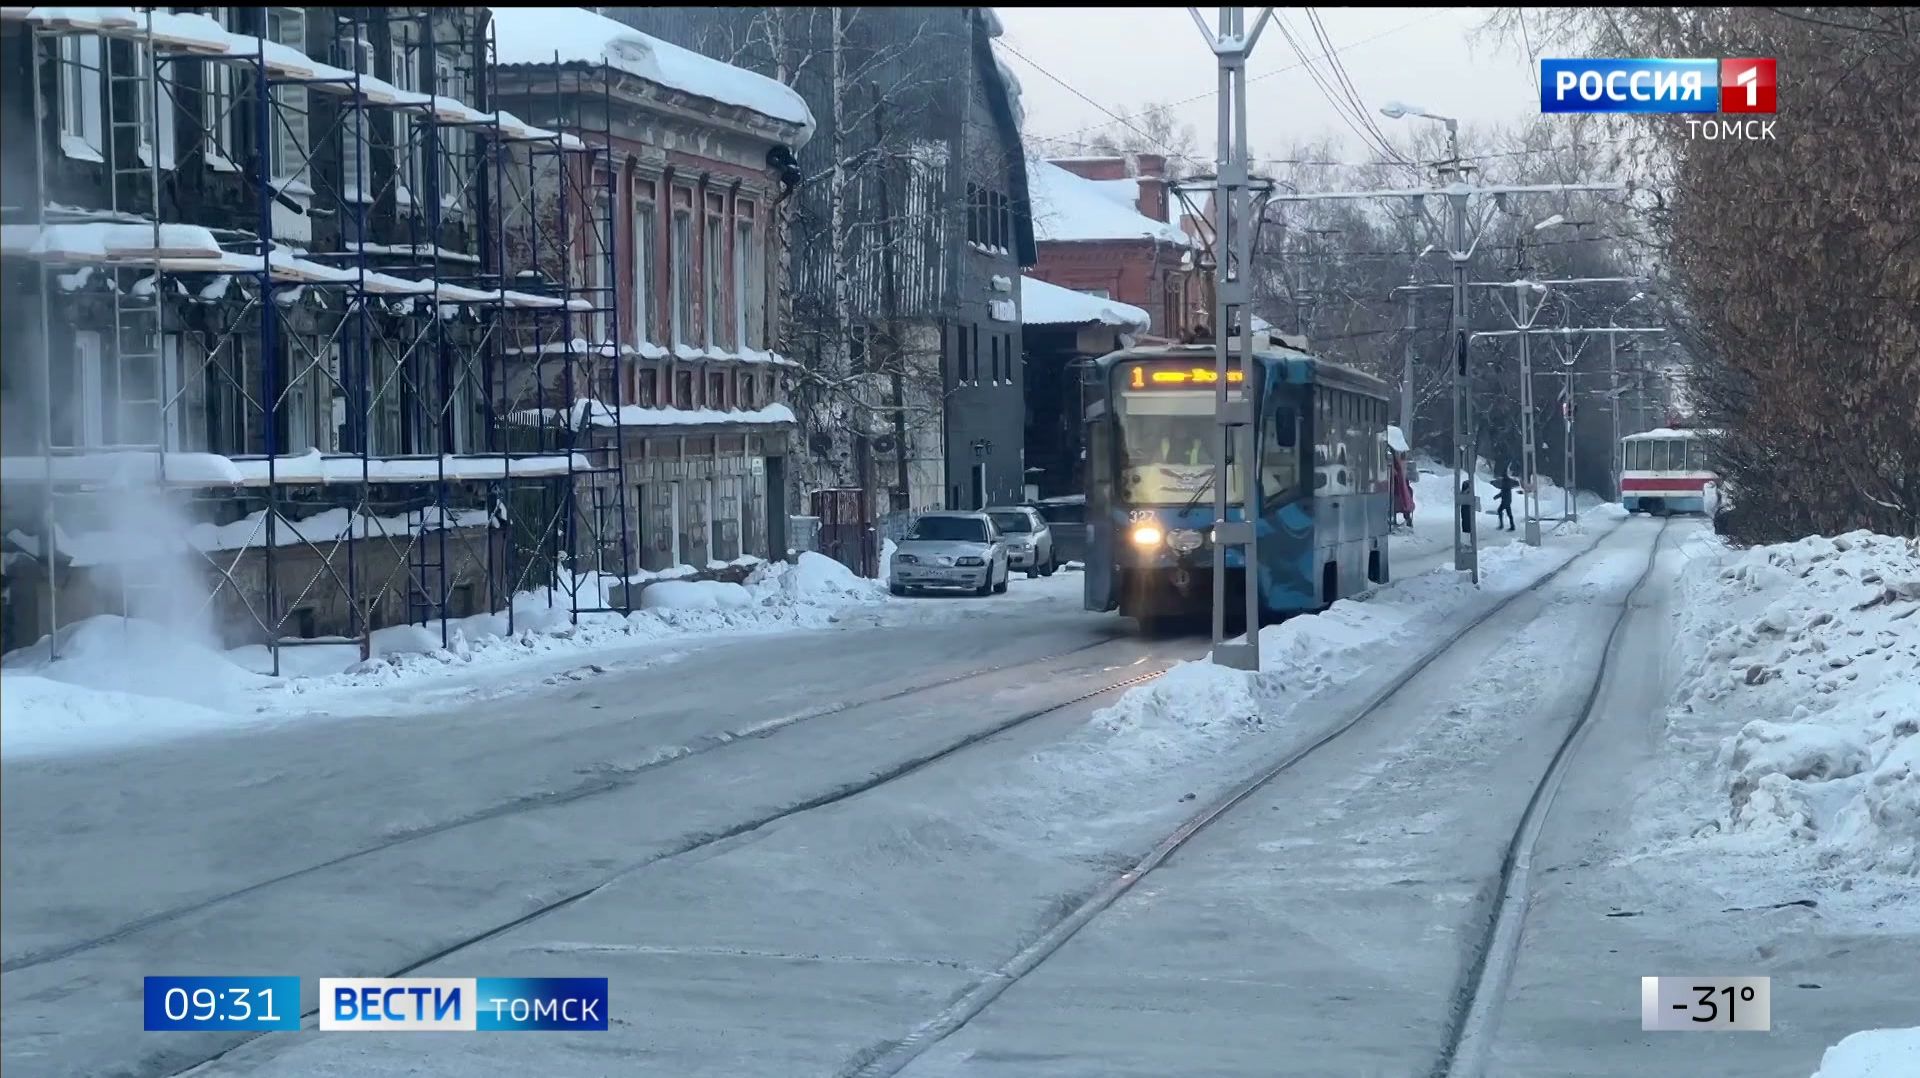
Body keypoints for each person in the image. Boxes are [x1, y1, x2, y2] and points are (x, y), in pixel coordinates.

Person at [1391, 453, 1415, 528]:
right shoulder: (1401, 466)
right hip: (1398, 490)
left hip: (1398, 490)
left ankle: (1406, 519)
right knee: (1402, 504)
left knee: (1400, 504)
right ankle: (1407, 519)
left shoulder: (1400, 466)